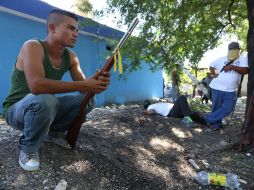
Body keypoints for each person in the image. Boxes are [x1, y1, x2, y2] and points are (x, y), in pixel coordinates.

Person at [2, 9, 111, 171]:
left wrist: (97, 83)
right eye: (70, 28)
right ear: (52, 28)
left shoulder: (71, 57)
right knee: (46, 99)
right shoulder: (32, 46)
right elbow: (36, 86)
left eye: (77, 30)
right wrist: (86, 85)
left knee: (88, 101)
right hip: (16, 111)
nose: (76, 33)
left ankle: (52, 133)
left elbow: (85, 90)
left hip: (45, 106)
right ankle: (28, 149)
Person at [203, 42, 248, 130]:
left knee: (229, 107)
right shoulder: (222, 59)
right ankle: (216, 125)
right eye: (231, 50)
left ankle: (206, 119)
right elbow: (211, 65)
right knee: (216, 108)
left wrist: (232, 67)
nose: (233, 52)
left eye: (235, 50)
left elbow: (245, 70)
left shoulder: (243, 59)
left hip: (231, 90)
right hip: (217, 87)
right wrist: (214, 74)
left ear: (239, 50)